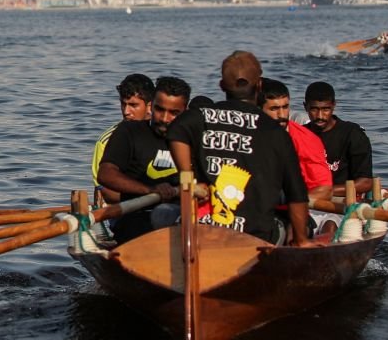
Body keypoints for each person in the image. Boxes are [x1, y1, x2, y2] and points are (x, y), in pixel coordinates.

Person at [167, 51, 312, 246]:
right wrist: (302, 241)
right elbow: (296, 193)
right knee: (287, 226)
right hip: (255, 237)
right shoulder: (275, 132)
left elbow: (176, 130)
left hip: (202, 229)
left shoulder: (198, 117)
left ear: (221, 86)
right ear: (259, 85)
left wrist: (188, 177)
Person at [95, 76, 191, 243]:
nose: (164, 119)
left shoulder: (193, 138)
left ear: (185, 111)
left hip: (181, 219)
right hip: (136, 217)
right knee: (161, 214)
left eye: (174, 113)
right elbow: (105, 174)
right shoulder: (129, 132)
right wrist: (150, 190)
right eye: (160, 110)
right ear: (151, 105)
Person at [259, 78, 335, 233]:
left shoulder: (307, 140)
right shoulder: (243, 133)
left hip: (290, 214)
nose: (282, 115)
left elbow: (324, 190)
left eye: (285, 107)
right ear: (258, 109)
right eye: (274, 109)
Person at [91, 73, 155, 204]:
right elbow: (105, 192)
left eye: (133, 105)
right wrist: (150, 195)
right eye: (123, 104)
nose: (126, 111)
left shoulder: (167, 134)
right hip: (123, 211)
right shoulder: (106, 141)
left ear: (150, 106)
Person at [302, 81, 374, 198]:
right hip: (305, 200)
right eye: (314, 109)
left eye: (326, 109)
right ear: (305, 107)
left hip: (342, 202)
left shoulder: (353, 134)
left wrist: (325, 192)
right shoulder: (299, 135)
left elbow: (365, 183)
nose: (320, 116)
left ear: (334, 105)